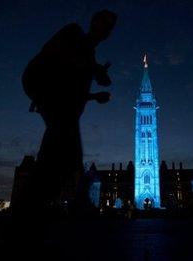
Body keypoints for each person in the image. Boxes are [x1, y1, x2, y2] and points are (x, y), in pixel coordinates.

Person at [21, 10, 117, 213]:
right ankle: (70, 202)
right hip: (45, 91)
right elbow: (53, 59)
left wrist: (95, 95)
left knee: (60, 150)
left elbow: (76, 90)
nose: (104, 29)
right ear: (93, 22)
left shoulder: (90, 56)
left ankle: (36, 203)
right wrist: (92, 68)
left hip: (60, 104)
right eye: (102, 23)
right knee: (69, 148)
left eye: (109, 27)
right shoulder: (73, 32)